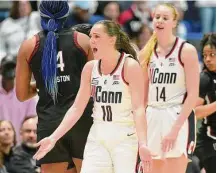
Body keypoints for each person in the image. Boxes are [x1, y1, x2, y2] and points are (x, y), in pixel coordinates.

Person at [33, 20, 153, 173]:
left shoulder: (129, 66)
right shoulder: (90, 68)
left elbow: (138, 108)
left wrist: (143, 143)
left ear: (112, 39)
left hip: (125, 136)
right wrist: (53, 138)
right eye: (91, 37)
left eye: (97, 36)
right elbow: (76, 108)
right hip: (98, 134)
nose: (92, 41)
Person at [15, 1, 94, 173]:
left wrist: (47, 81)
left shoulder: (29, 46)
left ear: (40, 14)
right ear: (66, 14)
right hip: (83, 120)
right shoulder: (83, 41)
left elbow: (21, 94)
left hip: (49, 123)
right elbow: (95, 86)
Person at [139, 3, 199, 173]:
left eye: (165, 18)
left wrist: (174, 130)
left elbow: (193, 95)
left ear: (174, 23)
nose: (160, 21)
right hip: (152, 115)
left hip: (177, 115)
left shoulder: (186, 50)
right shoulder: (146, 53)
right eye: (157, 17)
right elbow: (142, 99)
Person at [194, 33, 216, 173]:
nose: (208, 59)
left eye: (212, 54)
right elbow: (194, 112)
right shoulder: (204, 79)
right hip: (209, 141)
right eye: (204, 55)